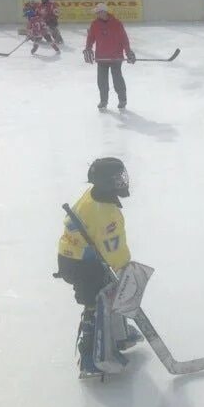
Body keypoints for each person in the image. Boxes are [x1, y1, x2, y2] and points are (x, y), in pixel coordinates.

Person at [55, 157, 142, 378]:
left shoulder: (93, 196)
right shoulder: (107, 214)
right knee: (96, 303)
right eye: (117, 179)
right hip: (83, 265)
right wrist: (124, 269)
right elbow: (114, 250)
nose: (123, 182)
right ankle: (90, 359)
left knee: (110, 292)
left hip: (71, 258)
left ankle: (118, 334)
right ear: (105, 182)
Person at [84, 3, 135, 111]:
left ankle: (122, 99)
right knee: (102, 81)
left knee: (117, 79)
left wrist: (128, 52)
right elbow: (90, 38)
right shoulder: (94, 24)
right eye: (97, 13)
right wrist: (88, 48)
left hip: (115, 57)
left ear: (105, 12)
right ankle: (103, 101)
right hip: (101, 57)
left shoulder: (116, 23)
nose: (98, 14)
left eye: (99, 12)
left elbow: (124, 39)